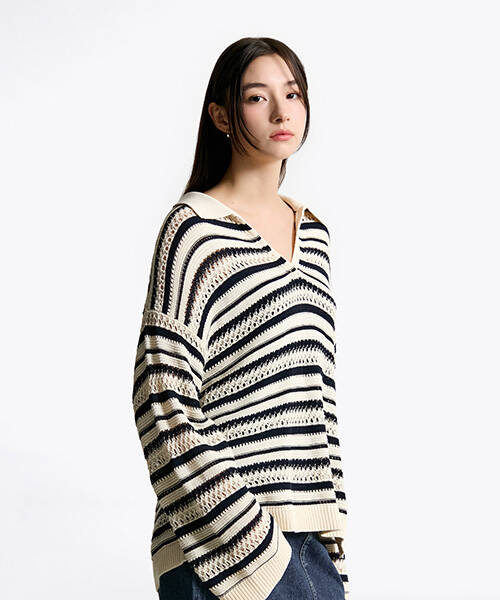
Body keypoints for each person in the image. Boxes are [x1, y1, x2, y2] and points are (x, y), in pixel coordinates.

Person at [132, 37, 350, 600]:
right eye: (257, 97)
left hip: (309, 546)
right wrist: (250, 542)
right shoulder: (193, 231)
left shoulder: (315, 236)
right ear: (222, 116)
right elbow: (160, 400)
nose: (282, 112)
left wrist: (334, 553)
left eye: (292, 94)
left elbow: (318, 401)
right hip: (216, 547)